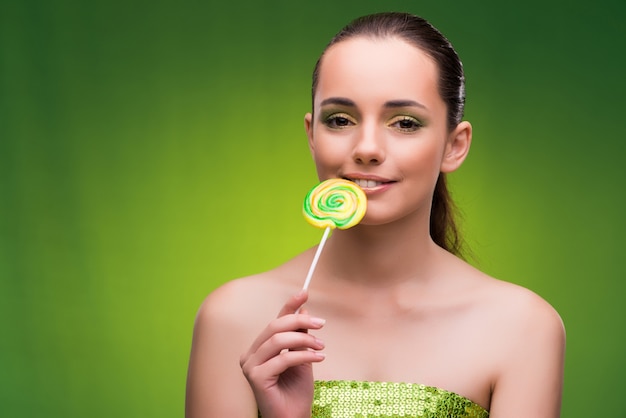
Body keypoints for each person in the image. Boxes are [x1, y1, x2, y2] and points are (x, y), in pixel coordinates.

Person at [185, 12, 566, 418]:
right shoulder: (233, 318)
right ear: (312, 135)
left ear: (454, 145)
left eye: (404, 122)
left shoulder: (521, 327)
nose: (367, 148)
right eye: (340, 120)